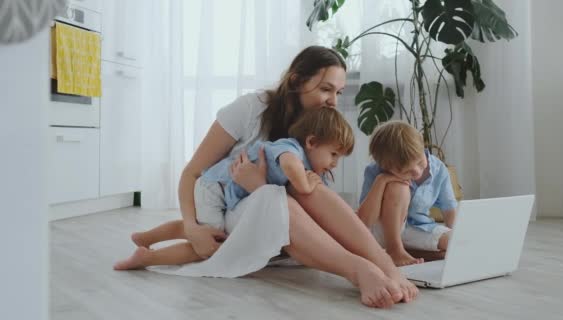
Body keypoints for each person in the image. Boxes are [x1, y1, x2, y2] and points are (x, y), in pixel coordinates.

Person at [120, 46, 417, 308]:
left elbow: (319, 208)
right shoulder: (251, 109)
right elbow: (191, 173)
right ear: (297, 81)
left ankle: (385, 266)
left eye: (338, 93)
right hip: (233, 209)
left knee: (306, 188)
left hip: (284, 230)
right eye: (326, 89)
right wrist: (192, 227)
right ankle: (358, 270)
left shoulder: (318, 130)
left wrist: (262, 186)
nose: (333, 101)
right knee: (283, 198)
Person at [114, 107, 354, 270]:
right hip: (215, 187)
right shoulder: (292, 150)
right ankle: (149, 258)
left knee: (202, 228)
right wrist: (304, 185)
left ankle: (147, 237)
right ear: (311, 142)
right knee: (211, 245)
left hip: (216, 187)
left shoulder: (301, 155)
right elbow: (290, 166)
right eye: (333, 154)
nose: (334, 163)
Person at [358, 121, 457, 267]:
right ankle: (394, 250)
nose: (416, 172)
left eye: (419, 162)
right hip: (382, 230)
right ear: (385, 166)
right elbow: (365, 221)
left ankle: (403, 252)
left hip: (417, 228)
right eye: (405, 171)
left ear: (423, 147)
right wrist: (381, 180)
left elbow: (449, 209)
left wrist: (454, 235)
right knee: (399, 188)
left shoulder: (439, 169)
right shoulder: (375, 171)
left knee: (454, 242)